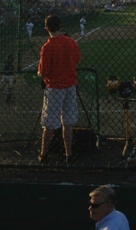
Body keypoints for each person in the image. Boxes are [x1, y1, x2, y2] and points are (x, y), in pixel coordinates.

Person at [37, 14, 81, 163]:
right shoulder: (70, 41)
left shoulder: (47, 47)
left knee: (49, 124)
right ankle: (69, 154)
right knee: (67, 123)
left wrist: (39, 73)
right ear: (60, 26)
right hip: (70, 86)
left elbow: (43, 72)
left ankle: (43, 154)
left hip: (55, 88)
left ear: (47, 28)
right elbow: (77, 59)